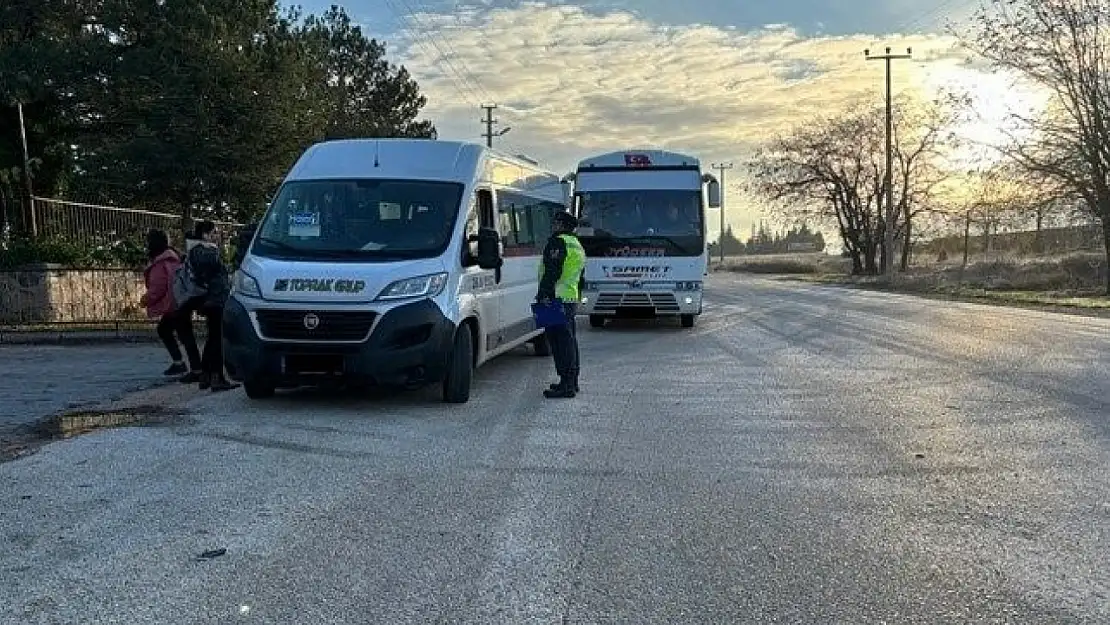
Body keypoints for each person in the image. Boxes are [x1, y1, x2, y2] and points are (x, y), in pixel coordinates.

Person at [537, 211, 586, 398]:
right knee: (569, 341)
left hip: (554, 297)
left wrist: (543, 295)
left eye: (556, 222)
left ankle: (566, 385)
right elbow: (580, 276)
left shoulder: (557, 242)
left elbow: (552, 271)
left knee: (558, 343)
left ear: (561, 225)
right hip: (569, 298)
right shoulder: (577, 244)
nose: (553, 226)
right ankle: (571, 382)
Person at [185, 220, 238, 392]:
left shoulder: (196, 251)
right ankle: (217, 377)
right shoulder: (203, 251)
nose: (217, 236)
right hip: (215, 299)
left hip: (210, 299)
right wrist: (216, 251)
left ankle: (206, 375)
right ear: (205, 234)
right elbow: (211, 267)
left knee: (212, 337)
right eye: (214, 233)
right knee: (217, 339)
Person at [140, 229, 202, 377]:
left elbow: (158, 288)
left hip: (173, 305)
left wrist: (145, 300)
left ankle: (192, 368)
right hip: (181, 301)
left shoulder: (161, 262)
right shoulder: (175, 257)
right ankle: (185, 365)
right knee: (177, 332)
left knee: (180, 334)